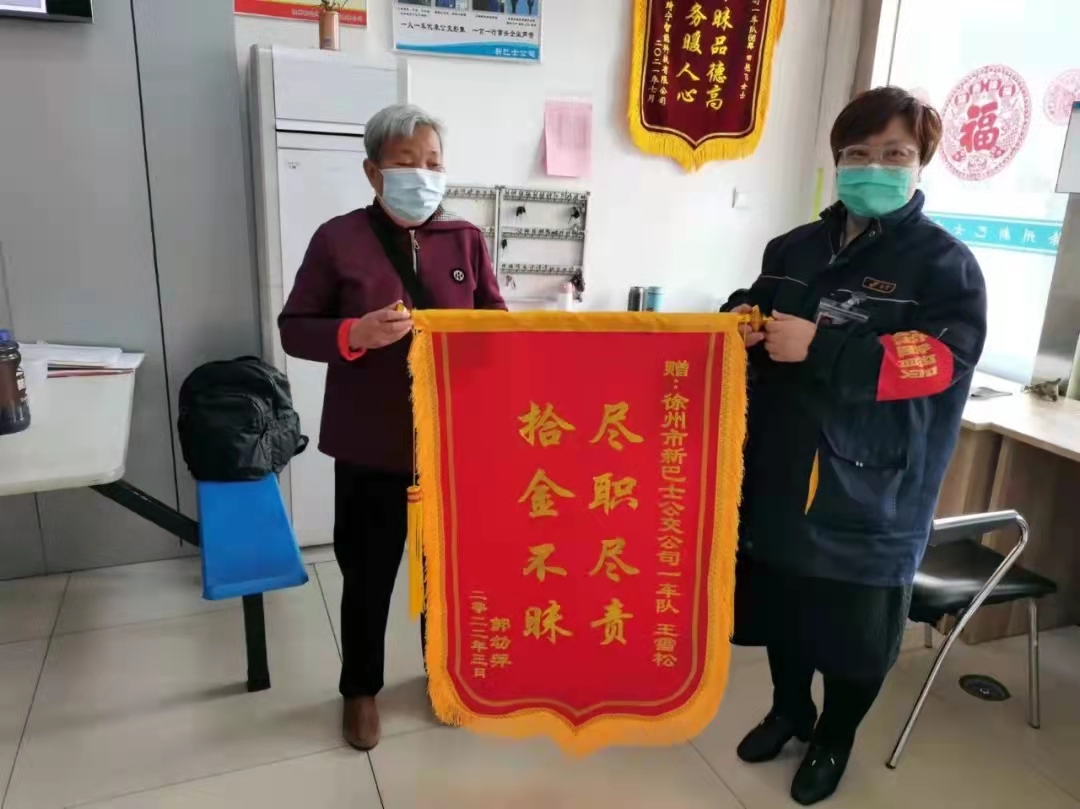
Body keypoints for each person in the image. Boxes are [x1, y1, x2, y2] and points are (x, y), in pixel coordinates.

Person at [722, 87, 986, 805]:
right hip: (782, 468)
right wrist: (738, 322)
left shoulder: (945, 265)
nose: (875, 167)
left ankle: (833, 738)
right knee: (783, 609)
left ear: (921, 162)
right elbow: (754, 307)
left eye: (895, 154)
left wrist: (823, 346)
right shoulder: (794, 248)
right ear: (837, 160)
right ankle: (789, 710)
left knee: (855, 637)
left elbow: (941, 362)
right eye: (858, 153)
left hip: (872, 487)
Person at [278, 103, 506, 752]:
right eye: (407, 162)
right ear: (373, 172)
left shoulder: (465, 239)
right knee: (368, 575)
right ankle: (360, 691)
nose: (422, 174)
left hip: (449, 446)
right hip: (369, 444)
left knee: (446, 574)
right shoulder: (338, 240)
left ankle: (444, 674)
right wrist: (354, 333)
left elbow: (497, 321)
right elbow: (295, 328)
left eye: (433, 162)